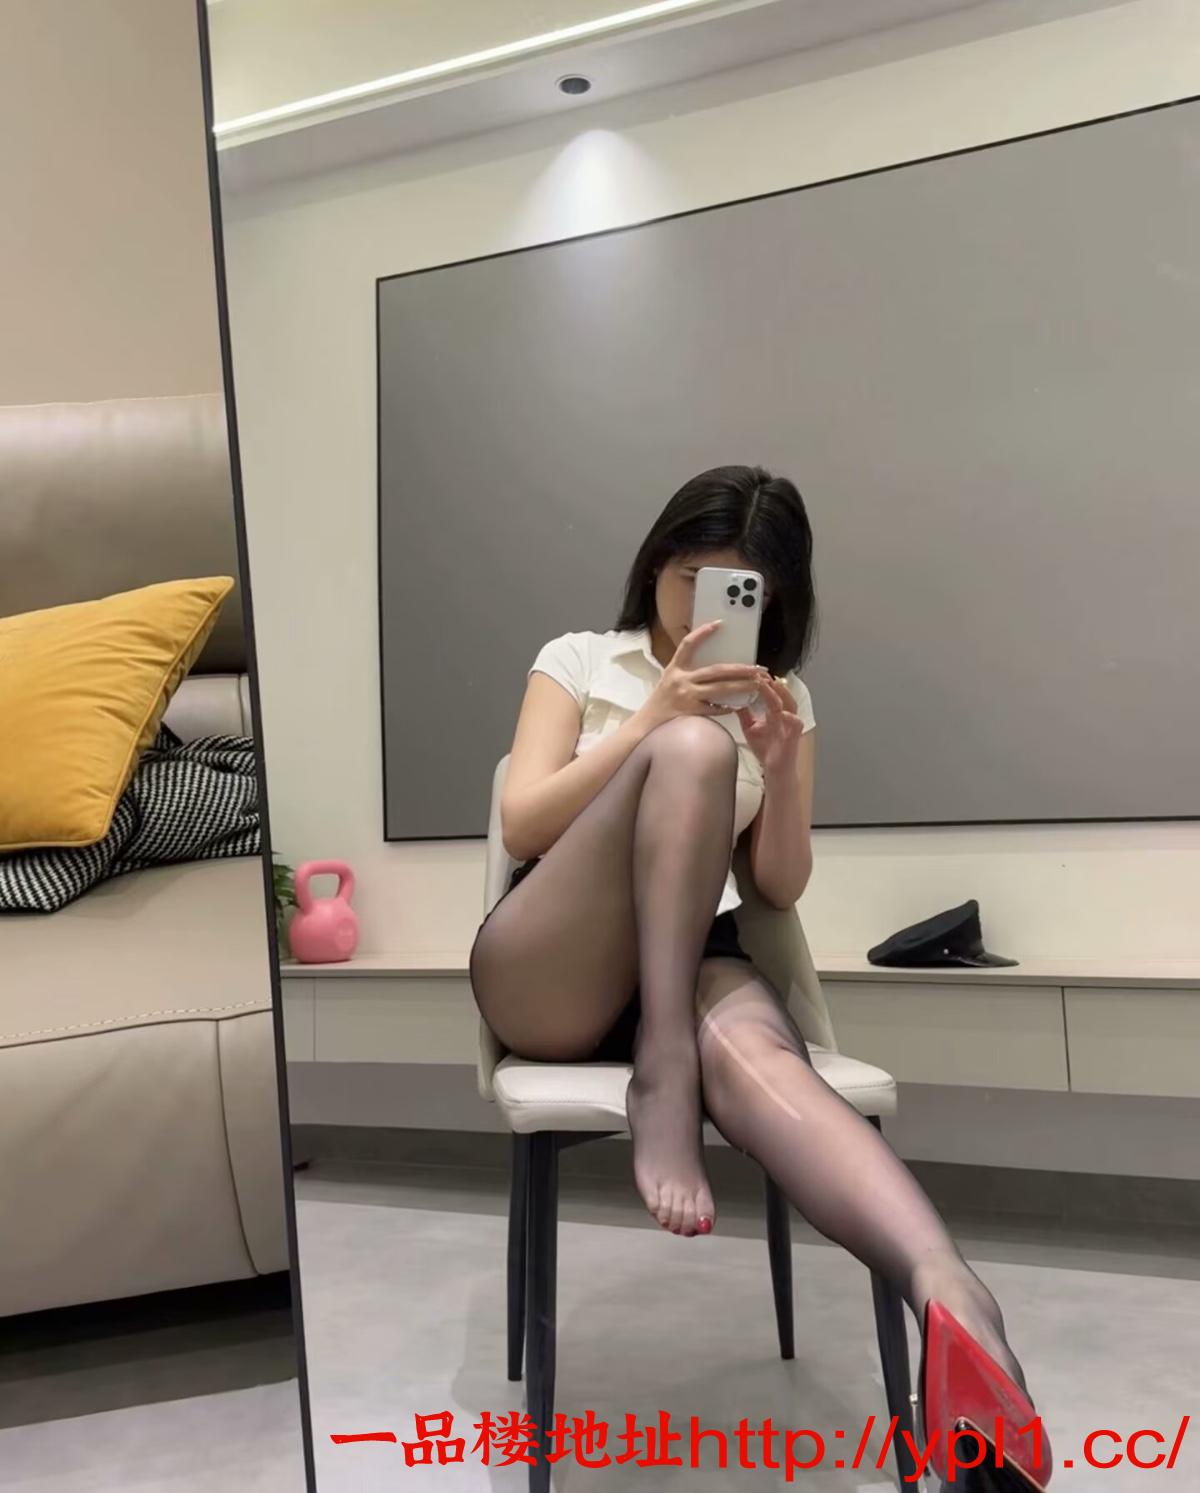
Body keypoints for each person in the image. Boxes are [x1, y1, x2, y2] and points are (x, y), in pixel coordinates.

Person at [469, 465, 1051, 1490]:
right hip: (552, 964)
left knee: (771, 1062)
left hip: (697, 953)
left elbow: (777, 885)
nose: (704, 605)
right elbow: (523, 822)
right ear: (656, 563)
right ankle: (665, 1068)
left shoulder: (785, 698)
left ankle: (955, 1302)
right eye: (689, 576)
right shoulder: (579, 659)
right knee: (693, 750)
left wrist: (778, 770)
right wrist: (652, 724)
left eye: (739, 587)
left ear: (775, 598)